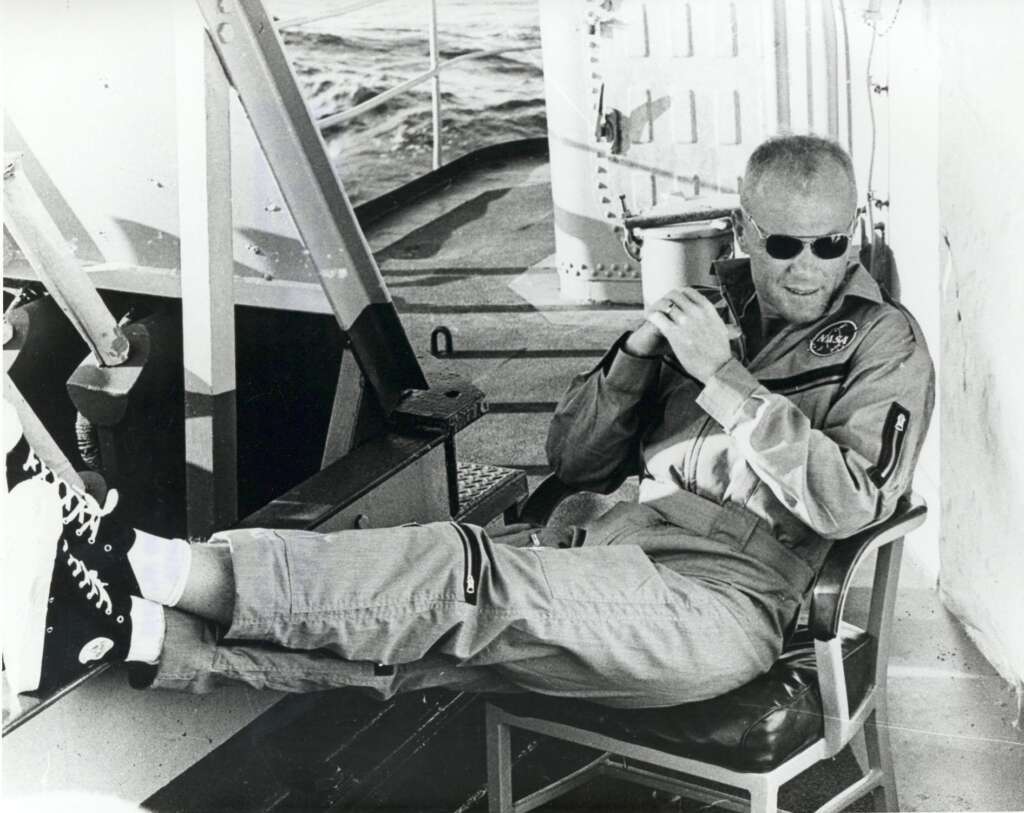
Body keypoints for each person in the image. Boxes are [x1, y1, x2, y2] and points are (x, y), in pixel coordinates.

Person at [4, 134, 934, 709]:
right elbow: (568, 453)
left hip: (723, 603)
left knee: (466, 575)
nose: (808, 266)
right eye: (783, 243)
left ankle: (139, 556)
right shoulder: (710, 311)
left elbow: (852, 504)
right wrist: (641, 358)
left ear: (853, 231)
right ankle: (124, 635)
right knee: (438, 645)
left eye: (831, 241)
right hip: (606, 553)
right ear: (742, 230)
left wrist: (725, 381)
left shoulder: (885, 345)